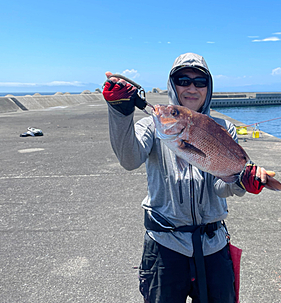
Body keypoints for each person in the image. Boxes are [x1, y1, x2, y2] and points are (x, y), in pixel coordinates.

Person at [103, 53, 271, 303]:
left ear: (208, 87)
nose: (192, 87)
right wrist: (119, 112)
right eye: (183, 80)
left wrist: (241, 182)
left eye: (200, 82)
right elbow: (129, 160)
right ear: (173, 85)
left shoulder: (224, 127)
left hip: (214, 245)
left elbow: (220, 185)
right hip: (164, 245)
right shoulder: (152, 126)